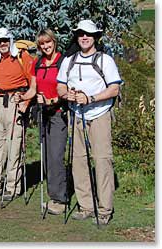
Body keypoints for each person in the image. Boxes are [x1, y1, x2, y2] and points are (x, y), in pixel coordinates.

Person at [57, 20, 122, 225]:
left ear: (95, 37)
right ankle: (86, 206)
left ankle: (104, 210)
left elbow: (114, 89)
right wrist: (68, 95)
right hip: (76, 115)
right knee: (78, 160)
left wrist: (90, 98)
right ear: (77, 37)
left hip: (100, 114)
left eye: (89, 34)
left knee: (102, 160)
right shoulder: (70, 60)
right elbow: (60, 85)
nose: (84, 37)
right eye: (81, 34)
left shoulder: (105, 60)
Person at [14, 29, 68, 214]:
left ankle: (60, 200)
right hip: (43, 114)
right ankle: (53, 196)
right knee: (46, 155)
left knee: (56, 156)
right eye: (42, 44)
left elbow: (65, 91)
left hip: (59, 113)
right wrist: (21, 97)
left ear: (54, 41)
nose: (45, 46)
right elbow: (33, 89)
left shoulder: (63, 61)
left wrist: (52, 101)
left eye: (48, 42)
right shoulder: (38, 63)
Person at [0, 27, 33, 201]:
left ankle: (12, 187)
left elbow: (33, 82)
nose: (2, 44)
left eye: (5, 41)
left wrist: (26, 101)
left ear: (10, 40)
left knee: (14, 147)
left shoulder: (22, 57)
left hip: (14, 103)